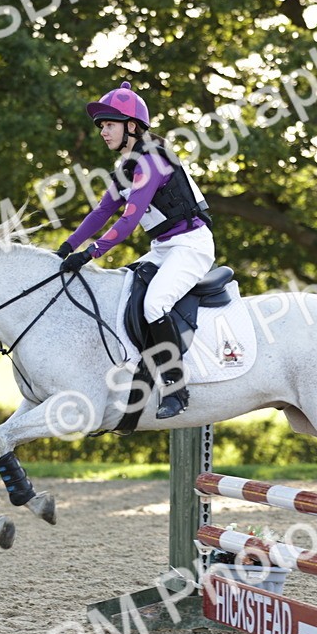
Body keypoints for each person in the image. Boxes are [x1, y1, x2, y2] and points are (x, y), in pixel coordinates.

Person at [56, 81, 214, 420]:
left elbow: (128, 221)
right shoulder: (127, 167)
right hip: (163, 248)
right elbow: (101, 212)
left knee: (155, 303)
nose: (103, 131)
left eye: (109, 124)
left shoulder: (152, 162)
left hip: (191, 246)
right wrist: (66, 247)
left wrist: (92, 252)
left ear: (132, 126)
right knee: (121, 295)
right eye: (100, 126)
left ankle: (175, 386)